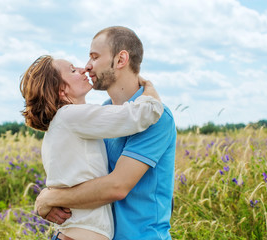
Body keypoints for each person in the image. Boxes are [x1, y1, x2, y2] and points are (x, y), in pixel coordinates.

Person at [36, 26, 177, 240]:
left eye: (94, 57)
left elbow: (117, 186)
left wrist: (50, 197)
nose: (87, 66)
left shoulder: (157, 118)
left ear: (121, 60)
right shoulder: (102, 114)